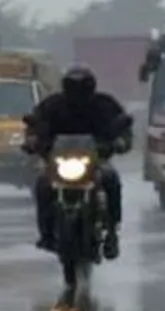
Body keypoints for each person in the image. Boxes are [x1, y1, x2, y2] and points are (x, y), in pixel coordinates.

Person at [25, 65, 132, 259]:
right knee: (42, 185)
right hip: (59, 164)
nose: (78, 94)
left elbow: (122, 124)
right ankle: (46, 233)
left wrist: (121, 141)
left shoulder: (104, 105)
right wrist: (33, 139)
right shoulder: (52, 105)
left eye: (82, 88)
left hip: (95, 162)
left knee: (111, 180)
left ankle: (112, 232)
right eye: (73, 88)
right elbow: (36, 122)